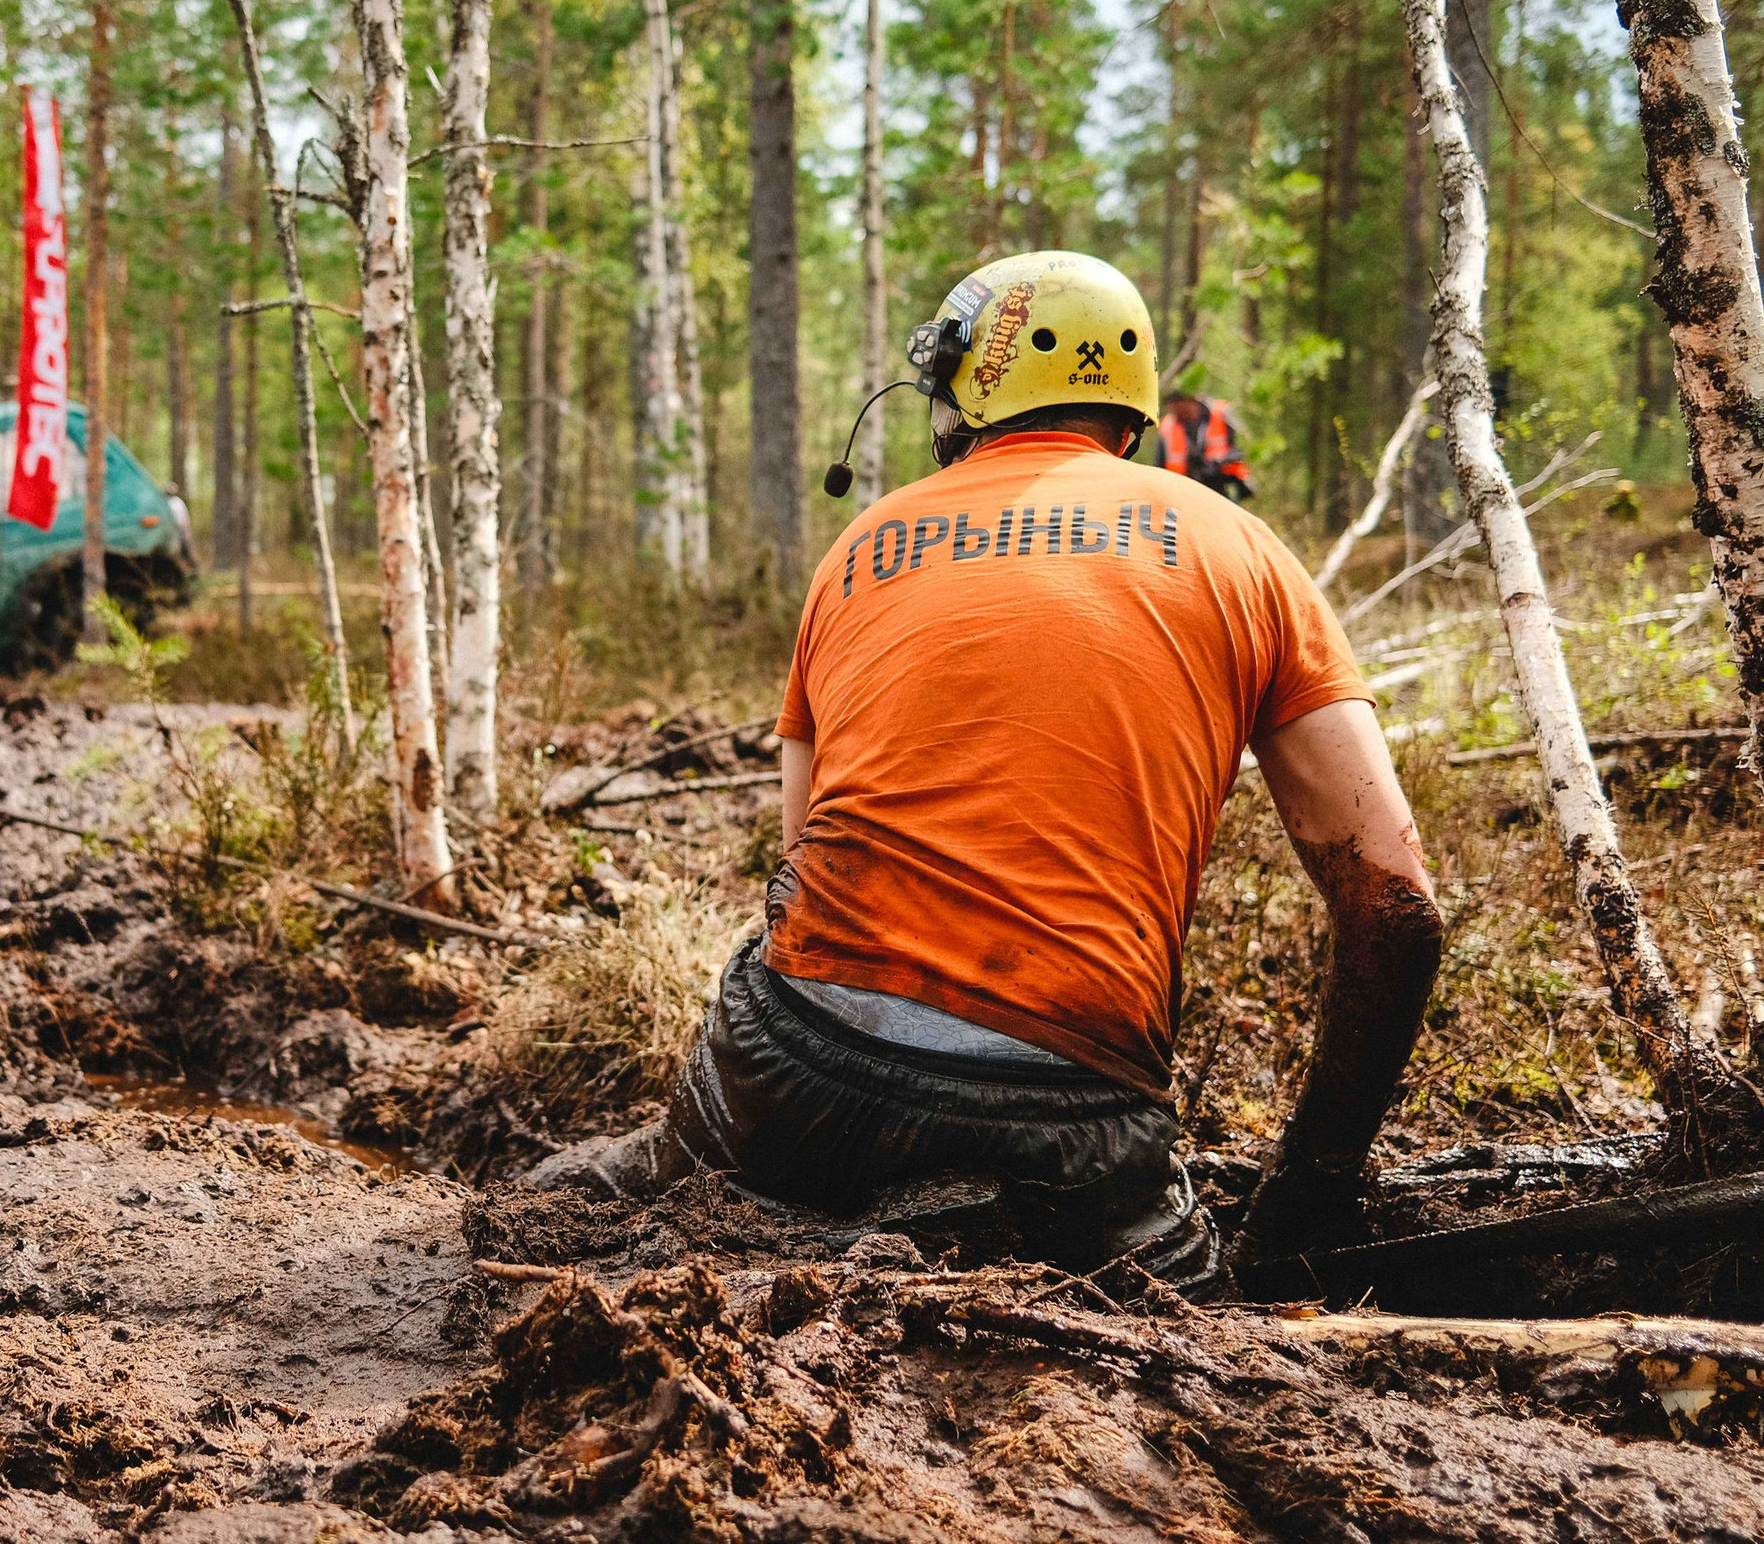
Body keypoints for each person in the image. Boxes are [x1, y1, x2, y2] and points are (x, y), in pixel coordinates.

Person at [530, 251, 1443, 1283]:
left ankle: (576, 1193)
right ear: (1130, 404)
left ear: (969, 385)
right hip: (1068, 1110)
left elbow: (796, 868)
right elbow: (1397, 910)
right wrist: (1303, 1197)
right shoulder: (1244, 552)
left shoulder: (857, 549)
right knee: (1194, 1315)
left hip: (793, 1063)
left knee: (671, 1168)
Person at [1156, 390, 1253, 500]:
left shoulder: (1219, 413)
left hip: (1220, 485)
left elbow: (1241, 447)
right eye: (1173, 406)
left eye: (1180, 403)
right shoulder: (1168, 427)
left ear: (1192, 399)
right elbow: (1159, 466)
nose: (1178, 410)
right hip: (1185, 492)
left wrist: (1221, 464)